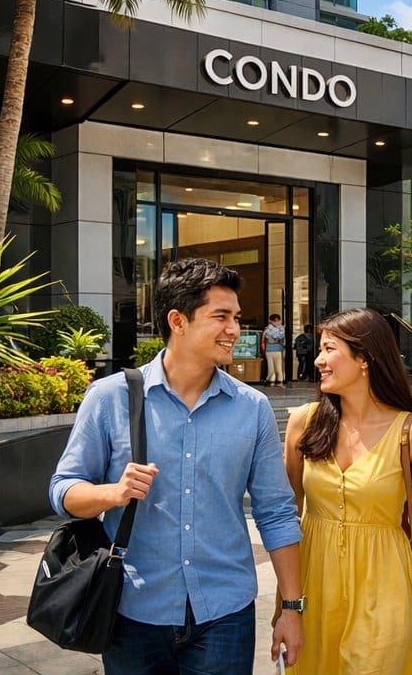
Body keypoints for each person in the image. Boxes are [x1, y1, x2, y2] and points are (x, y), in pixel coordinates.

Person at [49, 257, 304, 673]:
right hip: (132, 610)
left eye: (236, 317)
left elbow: (276, 511)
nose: (234, 330)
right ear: (177, 321)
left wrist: (292, 608)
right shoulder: (110, 397)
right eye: (221, 317)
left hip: (225, 613)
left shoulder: (252, 407)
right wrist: (112, 493)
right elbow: (63, 490)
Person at [282, 308, 412, 672]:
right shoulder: (304, 422)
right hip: (314, 586)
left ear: (364, 358)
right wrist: (287, 604)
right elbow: (287, 515)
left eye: (329, 349)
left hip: (384, 587)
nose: (318, 360)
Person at [262, 312, 287, 388]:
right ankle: (270, 381)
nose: (277, 322)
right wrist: (276, 337)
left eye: (278, 320)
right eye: (275, 321)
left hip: (278, 349)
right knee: (271, 368)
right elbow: (277, 336)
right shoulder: (267, 328)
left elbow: (279, 336)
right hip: (269, 349)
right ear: (270, 321)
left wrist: (274, 336)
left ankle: (279, 382)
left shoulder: (281, 328)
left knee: (279, 367)